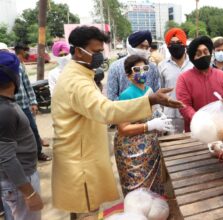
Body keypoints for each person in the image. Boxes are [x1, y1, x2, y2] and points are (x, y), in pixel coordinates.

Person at [51, 26, 183, 219]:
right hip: (79, 163)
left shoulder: (81, 75)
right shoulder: (76, 82)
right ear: (78, 51)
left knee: (88, 208)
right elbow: (107, 110)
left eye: (100, 52)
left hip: (84, 155)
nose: (99, 56)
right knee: (85, 211)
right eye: (95, 52)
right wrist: (150, 100)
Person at [114, 55, 173, 196]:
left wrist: (160, 117)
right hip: (132, 151)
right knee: (138, 190)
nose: (142, 72)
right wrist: (150, 126)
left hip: (151, 147)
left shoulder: (149, 90)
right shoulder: (126, 96)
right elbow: (123, 128)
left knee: (155, 185)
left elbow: (152, 112)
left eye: (145, 68)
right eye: (136, 69)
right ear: (128, 75)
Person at [0, 51, 44, 220]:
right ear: (13, 77)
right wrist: (30, 193)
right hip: (18, 182)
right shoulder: (5, 111)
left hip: (17, 179)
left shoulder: (7, 103)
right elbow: (6, 157)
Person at [176, 36, 223, 132]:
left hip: (221, 130)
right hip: (196, 131)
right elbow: (184, 106)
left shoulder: (222, 76)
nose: (203, 55)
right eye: (198, 54)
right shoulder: (184, 79)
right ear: (192, 58)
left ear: (210, 53)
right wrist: (201, 121)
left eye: (205, 52)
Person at [14, 43, 52, 161]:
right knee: (13, 134)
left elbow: (27, 86)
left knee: (33, 130)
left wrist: (33, 102)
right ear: (21, 51)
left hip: (24, 106)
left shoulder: (19, 66)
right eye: (27, 51)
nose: (29, 54)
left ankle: (38, 153)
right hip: (10, 108)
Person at [107, 30, 160, 101]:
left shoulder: (152, 67)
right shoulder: (116, 67)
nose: (144, 50)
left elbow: (156, 92)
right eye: (141, 46)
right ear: (132, 46)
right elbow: (112, 96)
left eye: (147, 48)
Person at [159, 28, 193, 134]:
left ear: (184, 44)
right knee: (171, 146)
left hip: (191, 113)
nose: (175, 45)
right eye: (172, 43)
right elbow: (161, 91)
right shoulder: (162, 66)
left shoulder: (193, 65)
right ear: (168, 46)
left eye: (178, 42)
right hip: (170, 115)